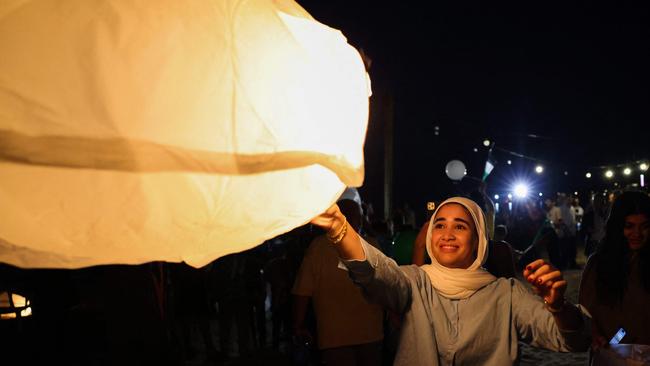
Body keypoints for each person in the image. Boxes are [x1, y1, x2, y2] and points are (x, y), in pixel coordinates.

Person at [310, 196, 588, 365]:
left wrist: (559, 307)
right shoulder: (414, 282)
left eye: (460, 226)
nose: (447, 233)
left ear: (479, 240)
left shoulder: (508, 294)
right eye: (439, 224)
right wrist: (340, 228)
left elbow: (573, 341)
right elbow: (375, 272)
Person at [293, 188, 384, 366]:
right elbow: (386, 288)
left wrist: (298, 325)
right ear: (360, 220)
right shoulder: (372, 246)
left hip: (334, 336)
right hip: (370, 333)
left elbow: (302, 291)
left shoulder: (318, 248)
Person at [579, 191, 650, 348]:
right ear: (617, 227)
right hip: (612, 351)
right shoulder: (599, 264)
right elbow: (586, 312)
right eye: (629, 226)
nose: (637, 234)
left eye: (644, 226)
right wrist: (596, 334)